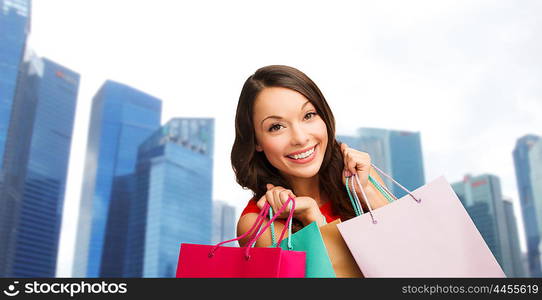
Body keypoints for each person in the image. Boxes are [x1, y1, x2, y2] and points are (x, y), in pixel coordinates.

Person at [231, 65, 390, 248]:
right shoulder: (258, 225)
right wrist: (312, 217)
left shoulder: (361, 178)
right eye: (276, 127)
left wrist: (366, 191)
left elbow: (410, 245)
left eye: (308, 115)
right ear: (256, 141)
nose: (300, 138)